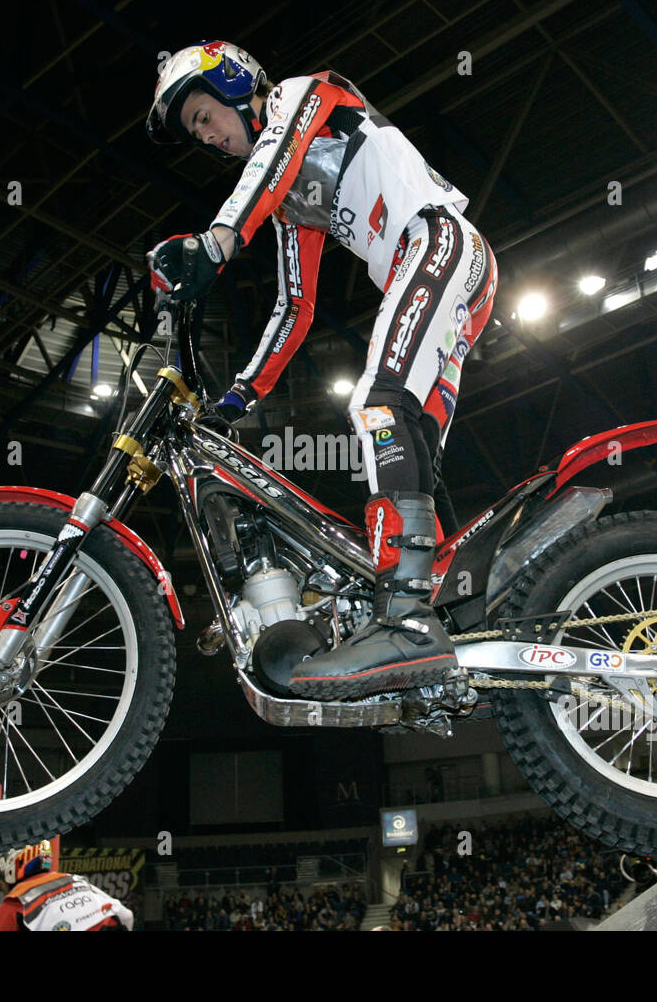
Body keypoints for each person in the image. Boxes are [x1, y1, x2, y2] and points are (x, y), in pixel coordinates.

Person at [145, 41, 498, 701]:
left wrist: (216, 242)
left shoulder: (304, 94)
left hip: (436, 240)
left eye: (203, 117)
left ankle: (408, 617)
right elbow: (294, 307)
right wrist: (238, 395)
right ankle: (463, 616)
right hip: (448, 269)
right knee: (412, 445)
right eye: (198, 133)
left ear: (233, 83)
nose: (209, 138)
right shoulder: (290, 200)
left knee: (378, 402)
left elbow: (274, 155)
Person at [0, 841, 133, 931]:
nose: (0, 882)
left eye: (0, 874)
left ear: (11, 867)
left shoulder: (17, 900)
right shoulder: (74, 880)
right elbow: (126, 915)